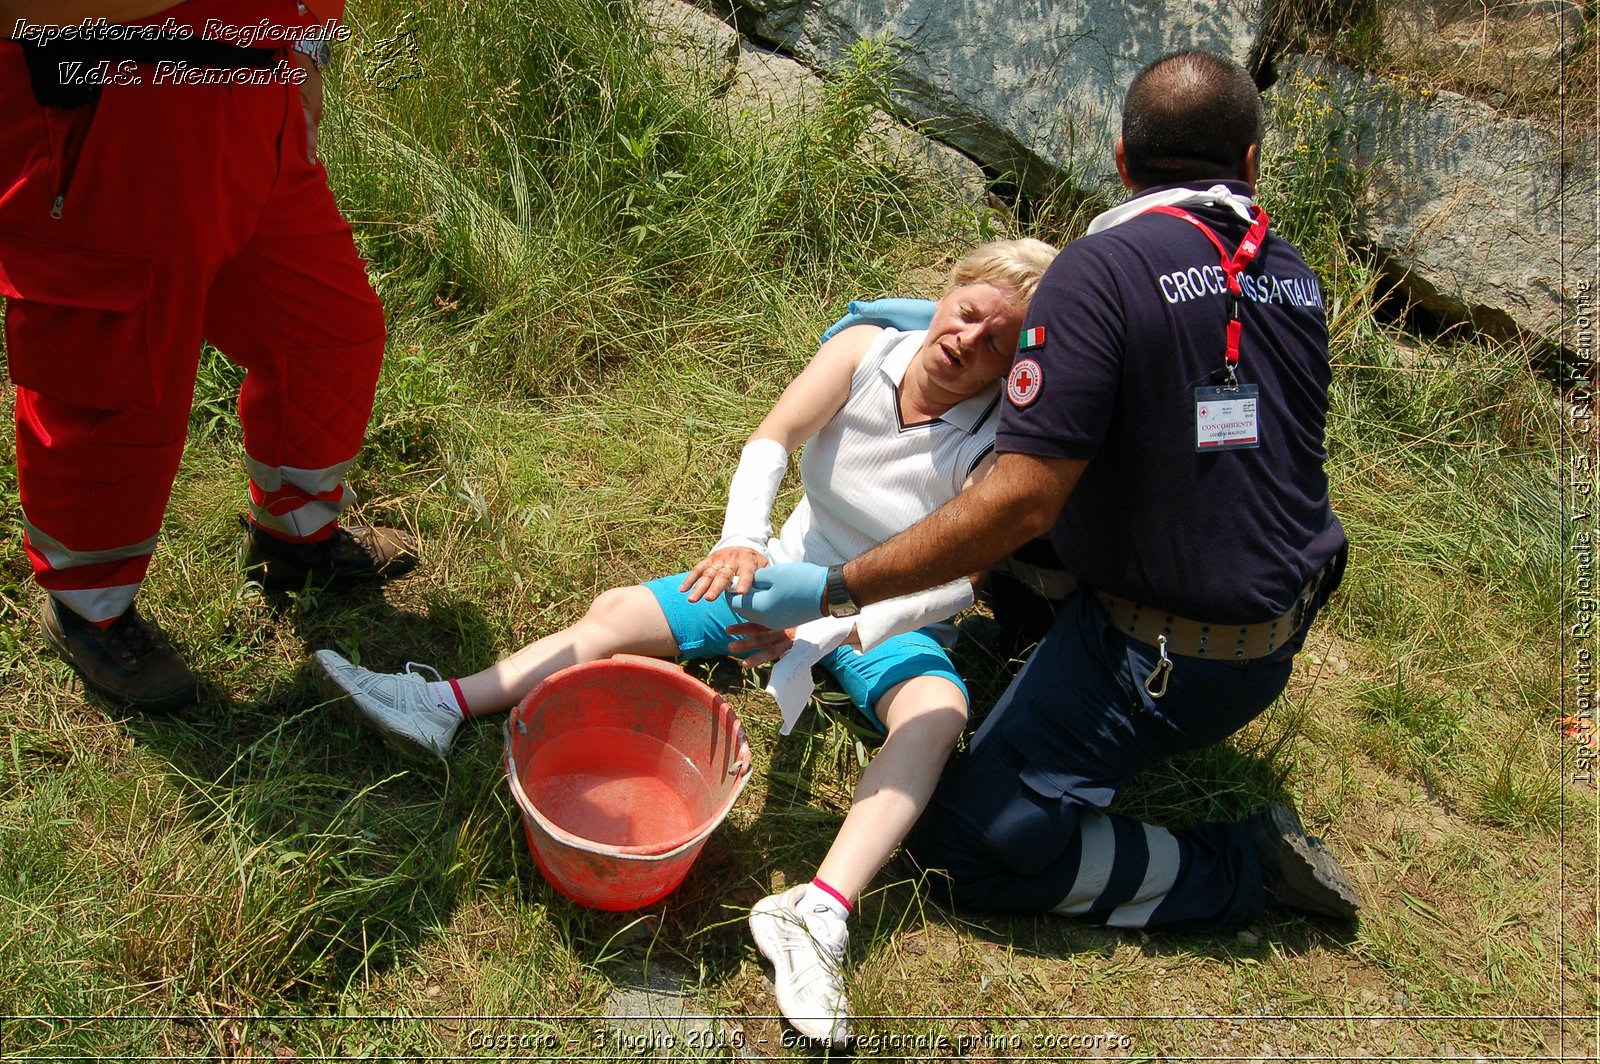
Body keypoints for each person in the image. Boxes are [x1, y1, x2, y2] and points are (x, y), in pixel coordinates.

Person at [312, 238, 1059, 1044]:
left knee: (940, 710)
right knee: (618, 611)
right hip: (786, 569)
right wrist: (742, 541)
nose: (968, 341)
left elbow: (959, 584)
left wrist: (835, 623)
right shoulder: (867, 348)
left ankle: (816, 912)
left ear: (1017, 363)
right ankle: (441, 703)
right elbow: (772, 439)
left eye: (997, 341)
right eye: (967, 313)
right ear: (946, 295)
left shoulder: (1002, 443)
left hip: (884, 616)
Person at [730, 50, 1362, 933]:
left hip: (1163, 655)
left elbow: (1021, 502)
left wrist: (836, 588)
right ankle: (1032, 647)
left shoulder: (1100, 270)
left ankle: (1238, 867)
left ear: (1119, 158)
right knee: (1039, 515)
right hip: (1275, 624)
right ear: (1251, 165)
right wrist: (945, 321)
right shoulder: (1290, 274)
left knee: (963, 846)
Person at [1, 1, 417, 714]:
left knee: (326, 334)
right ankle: (86, 609)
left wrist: (307, 48)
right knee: (116, 379)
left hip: (257, 97)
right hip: (118, 101)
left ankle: (296, 540)